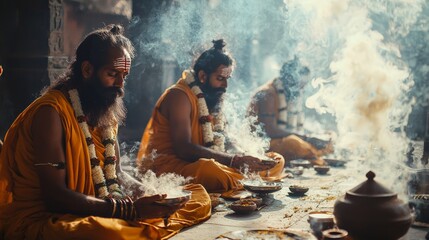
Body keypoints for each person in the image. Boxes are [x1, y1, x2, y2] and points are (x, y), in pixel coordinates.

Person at [0, 25, 210, 240]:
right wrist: (130, 211)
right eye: (112, 74)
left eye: (124, 76)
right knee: (109, 233)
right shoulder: (50, 113)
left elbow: (116, 172)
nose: (120, 84)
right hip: (46, 218)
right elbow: (55, 197)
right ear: (87, 70)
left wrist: (153, 194)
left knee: (197, 198)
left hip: (96, 207)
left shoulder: (102, 111)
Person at [137, 40, 285, 195]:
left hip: (204, 162)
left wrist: (246, 156)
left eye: (228, 79)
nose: (225, 86)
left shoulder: (213, 98)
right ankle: (240, 179)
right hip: (171, 166)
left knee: (275, 160)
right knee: (211, 171)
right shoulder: (179, 95)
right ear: (202, 76)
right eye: (220, 79)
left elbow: (224, 138)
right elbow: (183, 148)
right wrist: (234, 161)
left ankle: (243, 176)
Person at [248, 57, 333, 166]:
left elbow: (291, 128)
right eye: (298, 85)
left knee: (329, 136)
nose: (300, 90)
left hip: (281, 141)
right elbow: (270, 131)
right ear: (287, 79)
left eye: (303, 86)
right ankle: (311, 153)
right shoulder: (267, 93)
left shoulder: (287, 94)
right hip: (263, 145)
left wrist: (313, 135)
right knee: (294, 143)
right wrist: (307, 138)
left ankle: (310, 153)